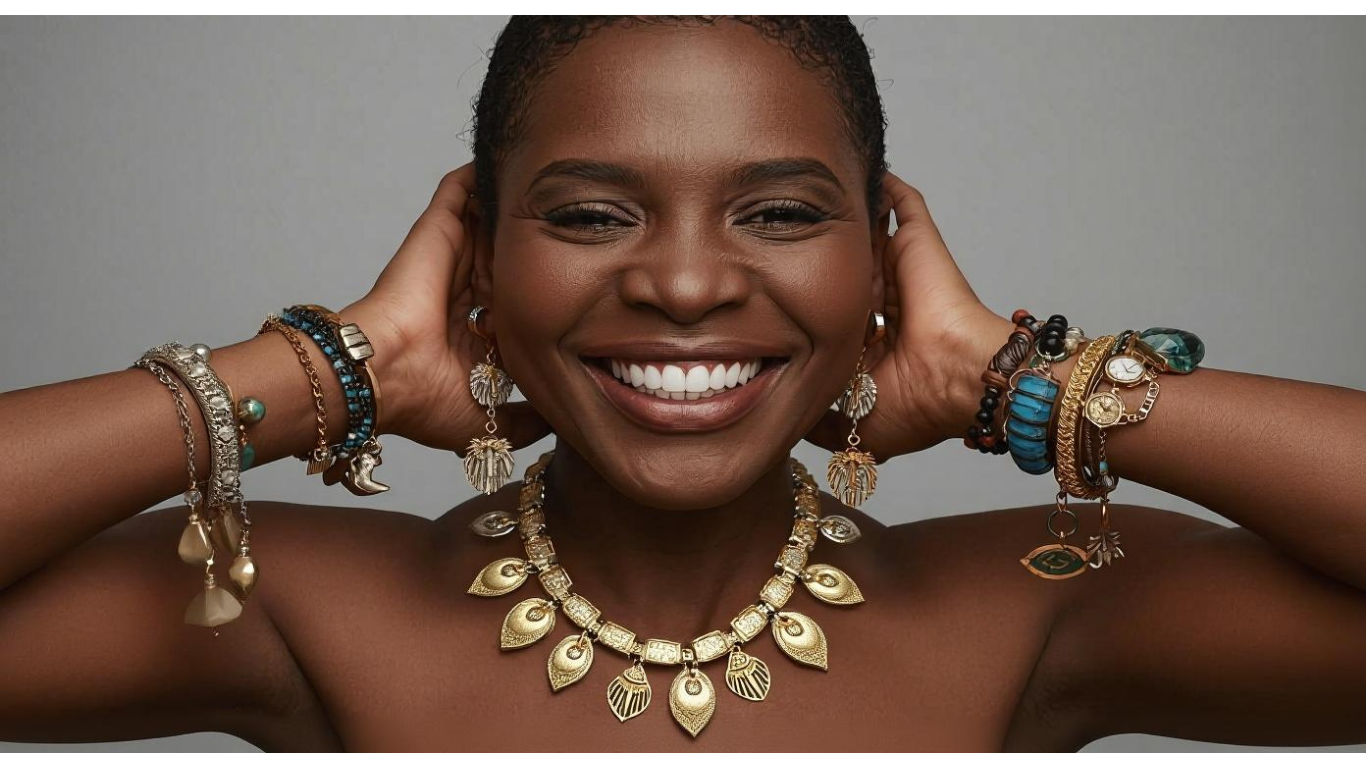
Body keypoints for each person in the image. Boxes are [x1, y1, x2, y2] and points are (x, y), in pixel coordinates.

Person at [1, 16, 1364, 752]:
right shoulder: (288, 609)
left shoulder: (1036, 611)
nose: (688, 284)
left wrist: (1015, 381)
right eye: (591, 216)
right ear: (479, 262)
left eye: (781, 214)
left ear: (882, 264)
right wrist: (329, 369)